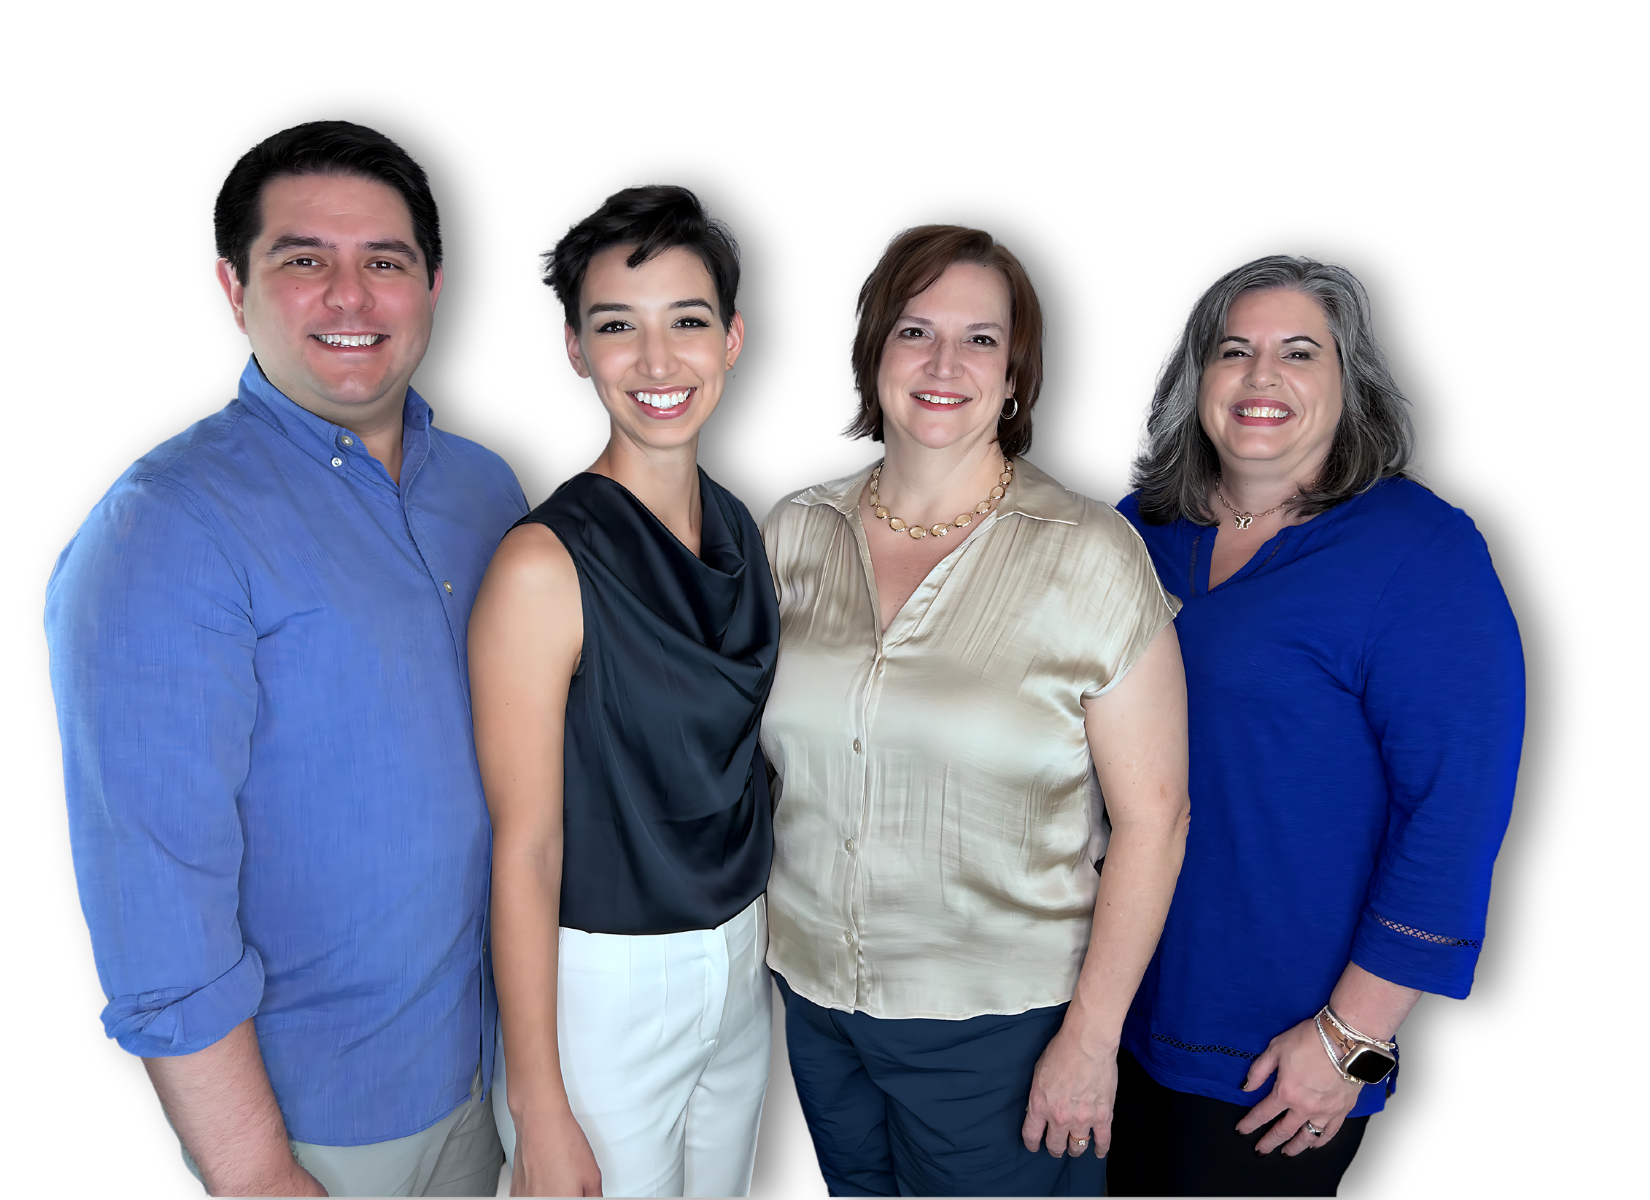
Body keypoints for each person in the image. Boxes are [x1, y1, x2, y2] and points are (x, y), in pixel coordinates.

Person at [43, 120, 524, 1197]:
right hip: (316, 1123)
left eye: (384, 262)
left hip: (486, 1077)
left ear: (434, 286)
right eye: (303, 261)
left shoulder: (488, 492)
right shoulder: (162, 530)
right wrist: (253, 1169)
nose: (349, 299)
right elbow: (153, 898)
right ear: (232, 288)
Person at [757, 223, 1190, 1197]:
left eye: (981, 338)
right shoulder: (792, 531)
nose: (944, 362)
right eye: (915, 331)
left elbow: (1157, 820)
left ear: (1015, 380)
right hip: (814, 1003)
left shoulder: (1088, 552)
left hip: (1002, 1027)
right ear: (876, 356)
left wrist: (1090, 1037)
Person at [1110, 255, 1524, 1197]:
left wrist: (1353, 1038)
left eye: (1300, 352)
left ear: (1350, 386)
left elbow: (1455, 810)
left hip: (1282, 1050)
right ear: (1195, 381)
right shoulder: (1132, 534)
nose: (1262, 377)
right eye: (1234, 351)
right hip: (1103, 1017)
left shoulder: (1419, 550)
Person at [470, 185, 777, 1198]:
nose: (657, 363)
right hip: (603, 985)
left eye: (686, 322)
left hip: (741, 959)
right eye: (617, 328)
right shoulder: (543, 565)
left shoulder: (741, 525)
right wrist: (540, 1105)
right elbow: (525, 847)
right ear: (574, 349)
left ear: (731, 338)